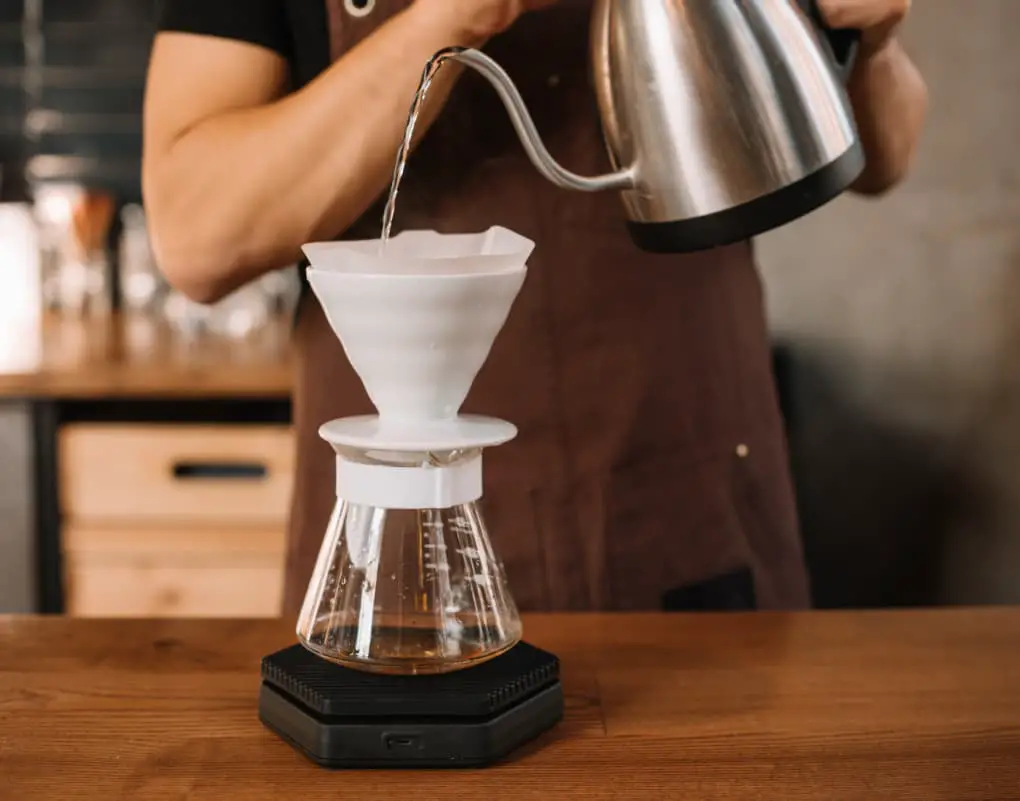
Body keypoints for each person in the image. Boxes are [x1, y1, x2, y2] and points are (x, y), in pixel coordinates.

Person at [145, 0, 927, 617]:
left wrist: (877, 47)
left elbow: (883, 156)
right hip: (401, 533)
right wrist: (446, 17)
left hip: (689, 515)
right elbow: (197, 237)